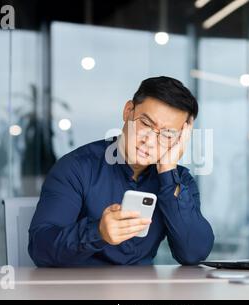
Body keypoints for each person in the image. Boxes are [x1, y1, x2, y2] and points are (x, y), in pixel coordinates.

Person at [28, 76, 214, 266]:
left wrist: (167, 171)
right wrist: (97, 232)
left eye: (167, 134)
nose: (149, 141)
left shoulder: (178, 180)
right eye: (146, 124)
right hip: (80, 290)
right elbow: (39, 247)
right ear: (128, 111)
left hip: (143, 292)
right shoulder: (76, 168)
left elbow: (194, 253)